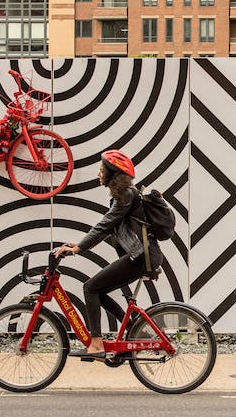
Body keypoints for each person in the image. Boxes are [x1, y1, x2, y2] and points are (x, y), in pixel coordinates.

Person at [52, 149, 161, 358]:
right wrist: (79, 245)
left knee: (90, 288)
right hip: (140, 256)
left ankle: (96, 345)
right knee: (98, 292)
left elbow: (104, 225)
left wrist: (78, 248)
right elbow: (110, 230)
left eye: (102, 170)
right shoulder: (125, 195)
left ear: (113, 174)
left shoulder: (127, 195)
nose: (98, 174)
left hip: (141, 257)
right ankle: (133, 330)